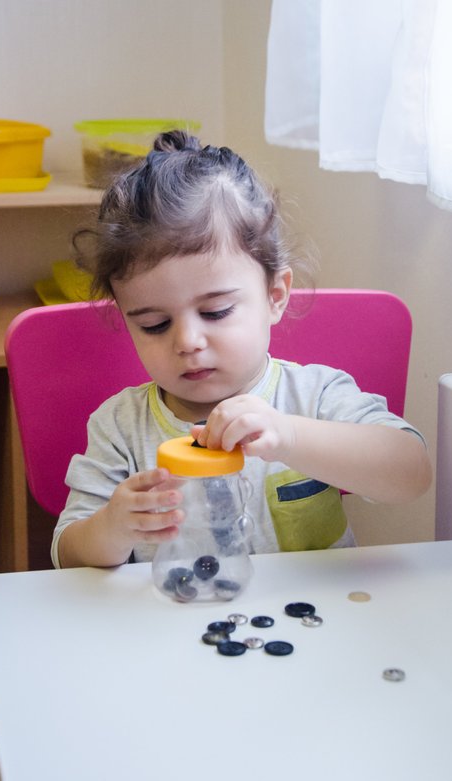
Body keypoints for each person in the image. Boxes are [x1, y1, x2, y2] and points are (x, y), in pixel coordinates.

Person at [52, 130, 432, 569]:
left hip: (311, 608)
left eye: (215, 312)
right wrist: (112, 529)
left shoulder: (314, 396)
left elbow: (412, 473)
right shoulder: (121, 426)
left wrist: (290, 436)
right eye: (154, 324)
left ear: (275, 295)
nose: (187, 342)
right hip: (170, 610)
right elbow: (67, 554)